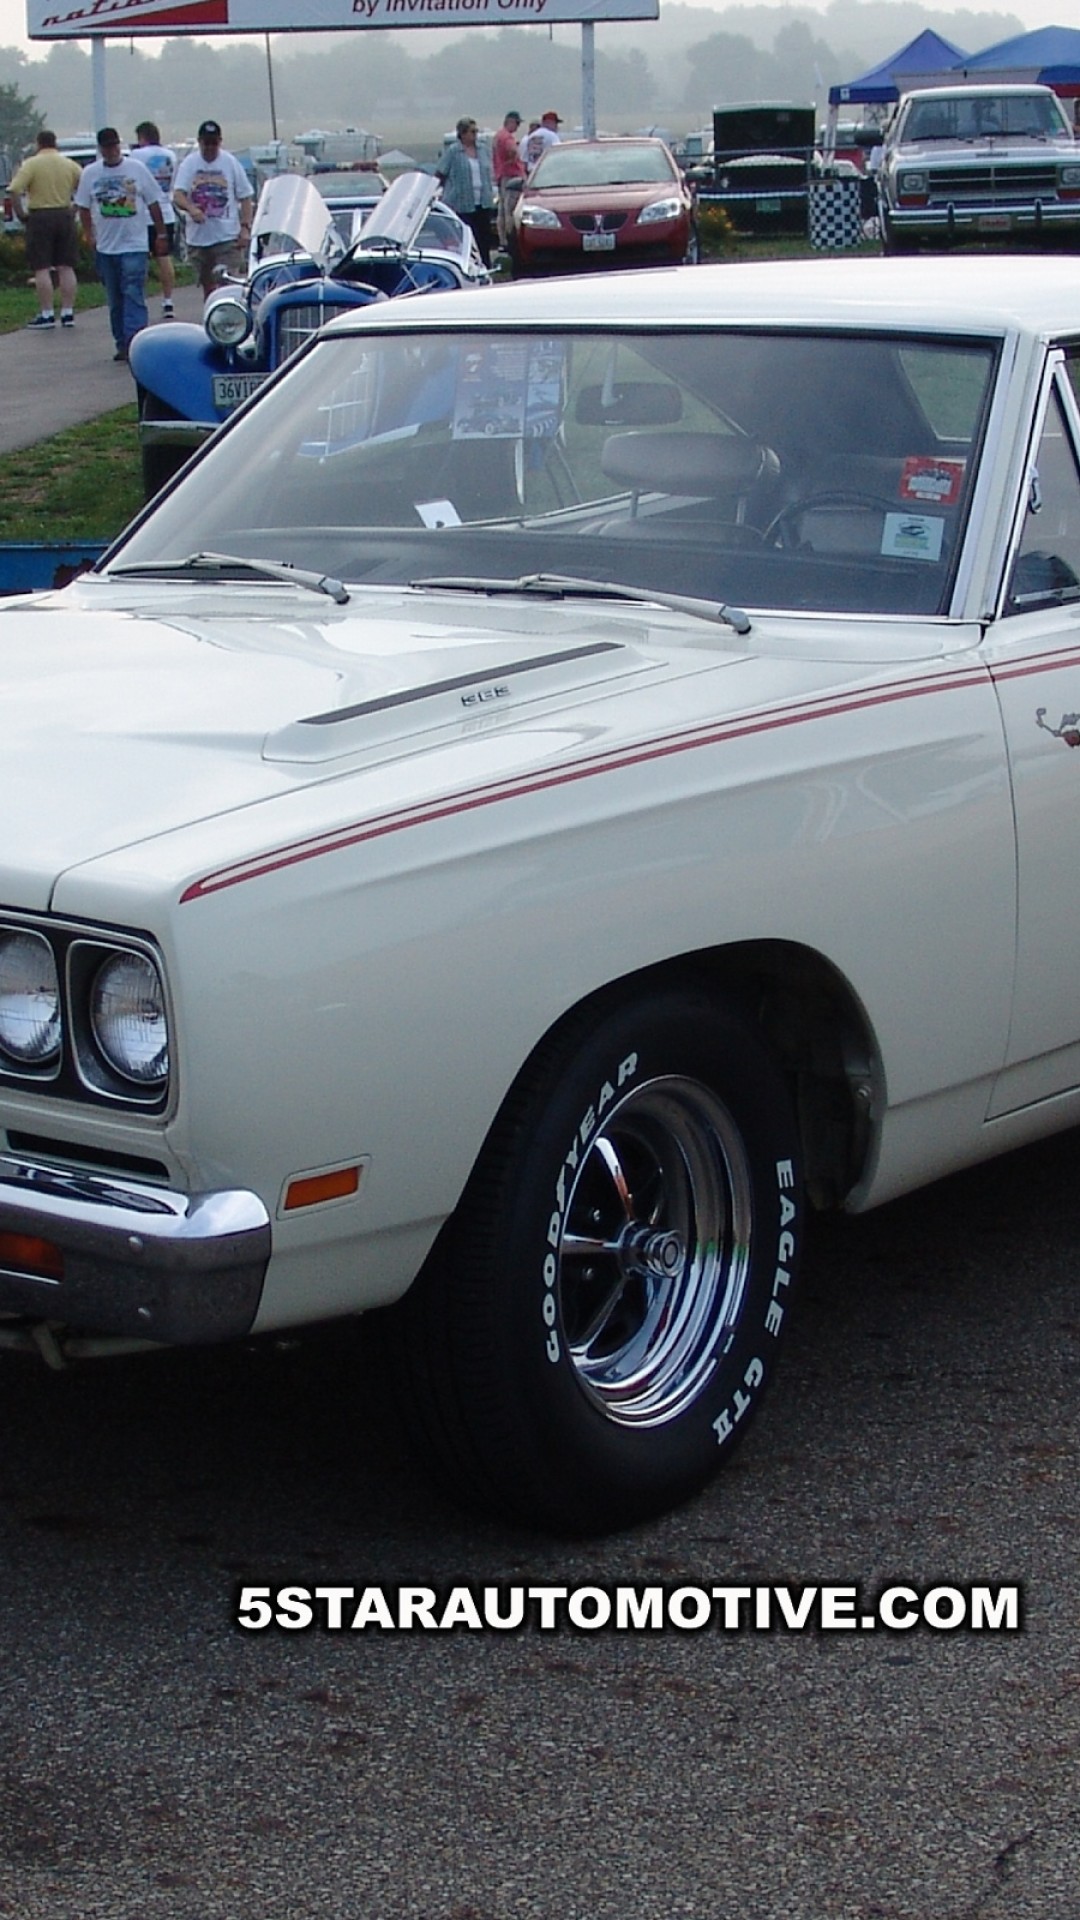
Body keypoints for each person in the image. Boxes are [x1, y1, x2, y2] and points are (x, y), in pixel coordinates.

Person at [74, 127, 167, 362]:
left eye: (114, 145)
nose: (112, 150)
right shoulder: (90, 173)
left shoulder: (136, 169)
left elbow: (153, 202)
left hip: (134, 244)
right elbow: (83, 206)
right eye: (107, 147)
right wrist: (89, 234)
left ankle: (135, 341)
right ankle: (121, 342)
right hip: (106, 246)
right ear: (101, 149)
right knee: (115, 298)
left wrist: (161, 233)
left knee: (133, 292)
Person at [8, 130, 82, 330]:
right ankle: (68, 312)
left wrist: (21, 214)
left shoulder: (31, 164)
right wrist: (75, 207)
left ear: (38, 143)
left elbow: (14, 190)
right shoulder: (69, 164)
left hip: (40, 216)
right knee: (66, 266)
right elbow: (84, 186)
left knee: (41, 267)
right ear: (55, 143)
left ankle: (47, 313)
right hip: (64, 214)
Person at [172, 120, 254, 297]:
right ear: (199, 142)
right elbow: (178, 195)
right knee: (208, 288)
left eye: (214, 143)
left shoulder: (230, 162)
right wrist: (191, 209)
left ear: (220, 142)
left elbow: (246, 197)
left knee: (227, 285)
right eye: (206, 143)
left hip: (226, 237)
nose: (210, 147)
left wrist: (245, 228)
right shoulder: (189, 164)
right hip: (199, 239)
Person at [436, 118, 496, 269]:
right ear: (462, 134)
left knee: (484, 238)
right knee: (468, 239)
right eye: (472, 131)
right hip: (462, 203)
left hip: (483, 201)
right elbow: (441, 172)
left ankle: (486, 266)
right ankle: (469, 266)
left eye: (476, 131)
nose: (475, 135)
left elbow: (490, 170)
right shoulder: (453, 151)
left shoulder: (482, 150)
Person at [133, 120, 177, 318]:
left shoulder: (137, 156)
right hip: (166, 211)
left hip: (144, 214)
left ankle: (141, 298)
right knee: (164, 258)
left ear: (142, 137)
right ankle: (168, 300)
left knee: (140, 260)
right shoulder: (171, 156)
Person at [492, 109, 525, 250]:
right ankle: (512, 240)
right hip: (512, 176)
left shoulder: (497, 136)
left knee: (502, 211)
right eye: (517, 123)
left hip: (501, 176)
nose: (518, 126)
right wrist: (514, 160)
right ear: (510, 122)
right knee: (511, 210)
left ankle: (503, 240)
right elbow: (512, 151)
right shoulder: (507, 137)